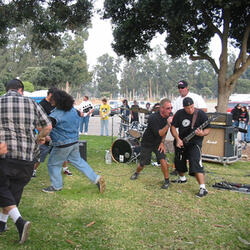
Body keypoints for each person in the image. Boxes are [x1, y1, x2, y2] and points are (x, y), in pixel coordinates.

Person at [0, 79, 52, 243]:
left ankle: (20, 223)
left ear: (7, 89)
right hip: (28, 157)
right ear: (21, 90)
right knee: (13, 191)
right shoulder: (31, 103)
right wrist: (40, 138)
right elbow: (47, 126)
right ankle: (1, 224)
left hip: (5, 154)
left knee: (3, 191)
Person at [42, 90, 105, 193]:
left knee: (53, 164)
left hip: (62, 145)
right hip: (74, 142)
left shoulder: (55, 115)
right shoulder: (74, 111)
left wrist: (41, 137)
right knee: (79, 162)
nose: (50, 101)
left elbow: (48, 128)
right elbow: (77, 118)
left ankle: (56, 186)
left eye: (52, 99)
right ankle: (96, 178)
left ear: (57, 101)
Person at [170, 97, 210, 198]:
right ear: (184, 107)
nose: (190, 110)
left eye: (191, 107)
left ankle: (202, 188)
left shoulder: (200, 114)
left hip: (195, 143)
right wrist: (177, 139)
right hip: (181, 142)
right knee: (179, 161)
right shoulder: (179, 113)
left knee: (195, 161)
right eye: (187, 108)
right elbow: (173, 127)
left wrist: (201, 133)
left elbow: (208, 129)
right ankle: (182, 178)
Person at [130, 98, 173, 189]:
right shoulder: (153, 118)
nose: (170, 111)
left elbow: (164, 133)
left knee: (162, 160)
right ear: (162, 109)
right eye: (168, 108)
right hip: (147, 142)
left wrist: (162, 143)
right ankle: (137, 173)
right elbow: (159, 133)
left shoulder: (167, 118)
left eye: (171, 108)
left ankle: (167, 181)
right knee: (143, 163)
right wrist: (168, 124)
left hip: (158, 143)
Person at [33, 88, 72, 177]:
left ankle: (65, 169)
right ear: (50, 94)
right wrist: (44, 135)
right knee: (41, 153)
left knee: (62, 151)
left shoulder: (55, 104)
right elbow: (37, 124)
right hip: (46, 134)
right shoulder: (41, 105)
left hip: (57, 134)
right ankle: (33, 170)